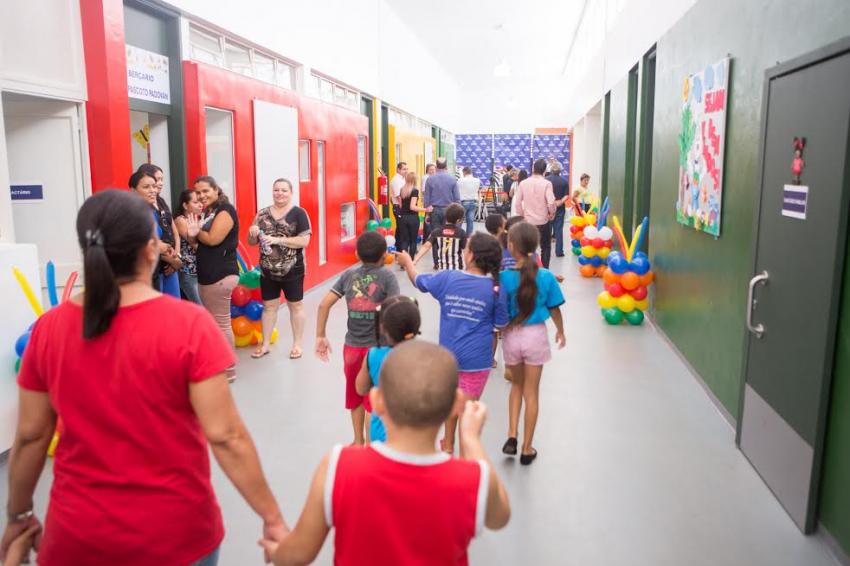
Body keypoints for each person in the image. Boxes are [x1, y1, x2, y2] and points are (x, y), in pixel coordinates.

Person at [1, 190, 286, 565]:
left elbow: (32, 434)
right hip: (176, 534)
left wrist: (19, 515)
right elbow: (227, 436)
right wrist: (273, 519)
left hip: (78, 535)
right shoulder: (188, 325)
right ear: (151, 249)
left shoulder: (50, 328)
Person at [260, 341, 511, 566]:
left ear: (377, 401)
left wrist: (278, 550)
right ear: (456, 405)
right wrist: (470, 437)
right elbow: (500, 519)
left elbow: (299, 554)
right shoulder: (471, 480)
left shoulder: (339, 466)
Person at [397, 232, 507, 454]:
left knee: (449, 403)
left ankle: (448, 445)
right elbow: (500, 324)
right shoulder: (496, 289)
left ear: (471, 256)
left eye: (466, 249)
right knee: (467, 412)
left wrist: (409, 262)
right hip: (477, 361)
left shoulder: (448, 278)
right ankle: (465, 458)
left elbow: (417, 280)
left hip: (448, 359)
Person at [315, 231, 400, 445]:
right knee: (373, 397)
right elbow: (396, 309)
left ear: (356, 253)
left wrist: (320, 336)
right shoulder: (388, 277)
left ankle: (358, 441)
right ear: (384, 255)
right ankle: (373, 446)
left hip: (352, 348)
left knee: (355, 397)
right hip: (378, 348)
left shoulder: (348, 276)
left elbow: (324, 304)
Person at [499, 222, 566, 465]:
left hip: (511, 336)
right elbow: (554, 308)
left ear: (511, 246)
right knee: (532, 393)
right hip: (536, 336)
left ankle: (511, 435)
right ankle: (527, 448)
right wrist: (561, 332)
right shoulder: (546, 276)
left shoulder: (503, 277)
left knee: (515, 386)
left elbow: (498, 310)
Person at [247, 178, 312, 360]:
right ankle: (265, 344)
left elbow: (304, 241)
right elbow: (251, 242)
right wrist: (252, 232)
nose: (280, 193)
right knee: (269, 307)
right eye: (276, 190)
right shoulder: (262, 214)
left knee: (295, 306)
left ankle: (297, 345)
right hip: (267, 271)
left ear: (291, 192)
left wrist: (277, 240)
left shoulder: (299, 213)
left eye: (284, 190)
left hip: (293, 269)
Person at [187, 175, 240, 382]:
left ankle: (228, 370)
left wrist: (197, 231)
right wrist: (193, 234)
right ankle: (221, 364)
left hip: (220, 275)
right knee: (216, 323)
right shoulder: (209, 212)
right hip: (209, 274)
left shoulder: (225, 210)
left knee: (221, 323)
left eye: (205, 191)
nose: (201, 195)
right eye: (198, 192)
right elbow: (198, 243)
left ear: (216, 190)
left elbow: (213, 239)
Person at [354, 296, 421, 443]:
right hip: (417, 434)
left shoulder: (374, 355)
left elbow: (360, 388)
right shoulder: (426, 356)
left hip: (382, 433)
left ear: (383, 328)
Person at [129, 168, 183, 297]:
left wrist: (175, 259)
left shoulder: (153, 210)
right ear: (134, 191)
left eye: (154, 186)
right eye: (146, 187)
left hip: (161, 269)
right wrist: (163, 249)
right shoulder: (131, 214)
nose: (153, 190)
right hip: (143, 276)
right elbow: (137, 243)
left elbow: (170, 234)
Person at [515, 158, 556, 268]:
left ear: (533, 169)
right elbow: (551, 202)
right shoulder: (547, 183)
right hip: (543, 221)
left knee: (527, 248)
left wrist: (522, 215)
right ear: (544, 170)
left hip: (528, 222)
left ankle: (528, 270)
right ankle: (544, 270)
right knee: (546, 247)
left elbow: (517, 203)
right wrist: (552, 213)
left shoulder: (523, 183)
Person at [413, 202, 466, 270]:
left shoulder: (437, 232)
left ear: (446, 216)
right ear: (458, 220)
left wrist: (415, 260)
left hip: (442, 270)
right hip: (456, 271)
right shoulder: (461, 233)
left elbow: (426, 246)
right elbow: (467, 251)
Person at [174, 189, 203, 304]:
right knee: (200, 309)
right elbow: (194, 244)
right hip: (188, 272)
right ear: (185, 205)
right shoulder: (181, 220)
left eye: (201, 201)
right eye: (196, 202)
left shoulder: (199, 220)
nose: (200, 205)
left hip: (200, 271)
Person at [395, 171, 428, 259]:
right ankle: (411, 261)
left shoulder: (402, 189)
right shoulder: (415, 190)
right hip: (412, 218)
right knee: (413, 241)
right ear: (415, 180)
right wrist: (426, 209)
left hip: (403, 218)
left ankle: (403, 261)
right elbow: (412, 207)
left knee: (404, 241)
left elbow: (401, 205)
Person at [422, 157, 460, 231]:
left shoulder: (430, 179)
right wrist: (457, 213)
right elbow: (457, 198)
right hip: (449, 210)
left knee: (435, 234)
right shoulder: (452, 179)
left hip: (434, 211)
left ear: (436, 167)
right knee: (448, 233)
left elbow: (427, 198)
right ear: (446, 167)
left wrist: (427, 213)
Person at [548, 161, 571, 257]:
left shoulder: (546, 180)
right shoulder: (564, 181)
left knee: (546, 231)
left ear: (551, 170)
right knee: (559, 231)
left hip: (548, 209)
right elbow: (567, 195)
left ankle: (546, 251)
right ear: (560, 170)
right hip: (560, 209)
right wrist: (560, 201)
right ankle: (559, 252)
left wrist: (552, 202)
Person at [457, 166, 480, 236]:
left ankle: (458, 236)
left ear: (464, 172)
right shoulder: (477, 180)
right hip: (473, 202)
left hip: (463, 202)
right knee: (470, 221)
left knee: (459, 221)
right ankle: (468, 237)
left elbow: (457, 191)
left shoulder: (460, 180)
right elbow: (478, 190)